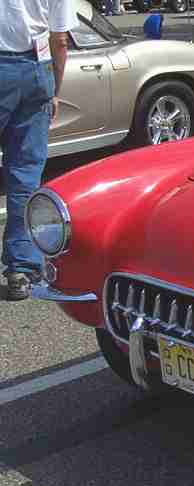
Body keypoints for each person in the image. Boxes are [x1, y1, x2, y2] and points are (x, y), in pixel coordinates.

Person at [0, 0, 77, 300]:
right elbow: (59, 39)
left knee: (25, 172)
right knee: (25, 173)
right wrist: (56, 90)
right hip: (35, 68)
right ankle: (21, 269)